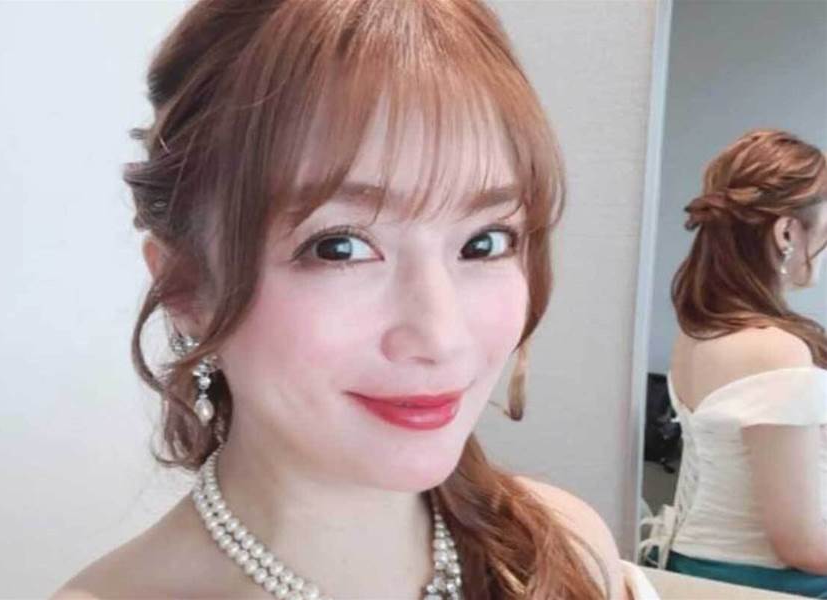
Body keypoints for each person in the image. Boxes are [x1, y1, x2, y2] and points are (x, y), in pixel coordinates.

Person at [54, 1, 658, 598]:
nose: (441, 336)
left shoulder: (563, 550)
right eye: (339, 247)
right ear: (186, 286)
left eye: (484, 242)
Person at [641, 129, 827, 597]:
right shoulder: (775, 350)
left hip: (691, 568)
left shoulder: (698, 333)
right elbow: (801, 544)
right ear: (787, 232)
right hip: (762, 584)